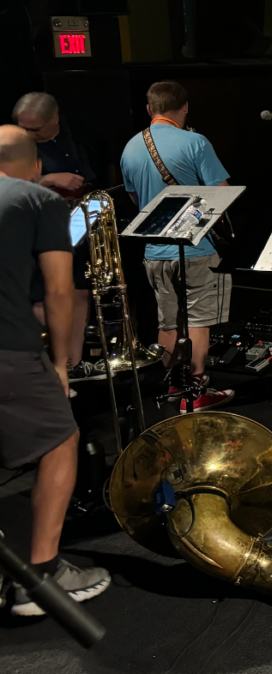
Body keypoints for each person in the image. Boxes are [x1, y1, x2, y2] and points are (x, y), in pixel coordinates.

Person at [0, 125, 110, 616]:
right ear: (37, 164)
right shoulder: (35, 201)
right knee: (61, 439)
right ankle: (41, 578)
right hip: (9, 348)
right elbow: (61, 290)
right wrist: (62, 362)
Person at [120, 81, 234, 413]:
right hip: (196, 248)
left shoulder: (130, 147)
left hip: (154, 251)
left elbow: (134, 200)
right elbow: (221, 194)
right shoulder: (195, 142)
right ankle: (196, 390)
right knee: (198, 320)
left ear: (149, 109)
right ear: (184, 108)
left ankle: (169, 388)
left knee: (168, 322)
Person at [15, 92, 105, 383]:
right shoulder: (14, 144)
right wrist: (50, 180)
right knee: (42, 297)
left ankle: (73, 362)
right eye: (22, 127)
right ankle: (51, 362)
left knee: (80, 290)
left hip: (76, 224)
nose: (27, 134)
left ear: (54, 119)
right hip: (34, 230)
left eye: (35, 128)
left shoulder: (74, 135)